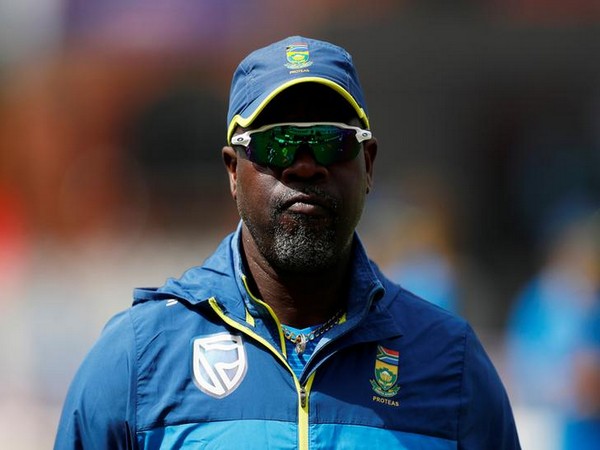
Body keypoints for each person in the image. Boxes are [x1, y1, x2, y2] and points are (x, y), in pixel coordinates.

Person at [54, 36, 521, 449]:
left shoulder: (450, 364)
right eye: (276, 143)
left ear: (368, 165)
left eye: (330, 142)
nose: (305, 165)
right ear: (233, 170)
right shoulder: (140, 357)